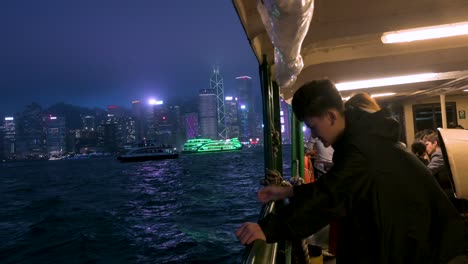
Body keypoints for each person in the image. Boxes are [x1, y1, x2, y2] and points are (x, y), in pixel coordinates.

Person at [235, 79, 468, 264]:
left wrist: (267, 228)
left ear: (331, 116)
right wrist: (289, 193)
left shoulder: (361, 148)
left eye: (313, 127)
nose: (313, 136)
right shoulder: (364, 139)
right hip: (425, 243)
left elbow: (331, 197)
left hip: (431, 250)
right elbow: (337, 186)